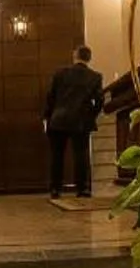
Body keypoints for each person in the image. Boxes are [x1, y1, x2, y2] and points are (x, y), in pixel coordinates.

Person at [43, 45, 103, 200]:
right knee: (81, 155)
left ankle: (55, 189)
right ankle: (82, 189)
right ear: (89, 58)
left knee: (57, 156)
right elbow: (99, 101)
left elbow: (51, 97)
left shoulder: (60, 73)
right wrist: (91, 115)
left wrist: (47, 117)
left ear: (74, 56)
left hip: (59, 118)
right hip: (81, 120)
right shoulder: (95, 77)